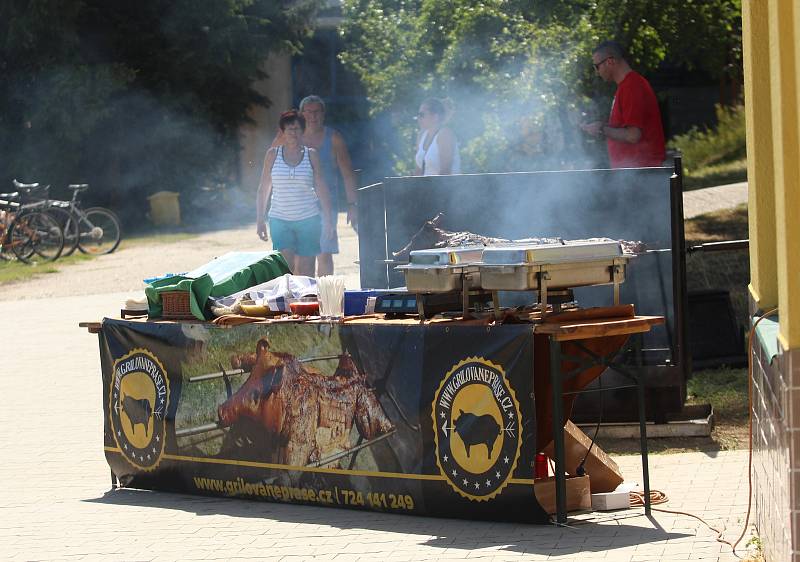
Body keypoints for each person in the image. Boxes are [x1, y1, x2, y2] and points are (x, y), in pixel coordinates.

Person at [272, 95, 358, 277]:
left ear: (323, 114)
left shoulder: (333, 138)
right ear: (302, 113)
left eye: (317, 111)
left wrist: (353, 205)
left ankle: (323, 297)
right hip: (294, 206)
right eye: (308, 112)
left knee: (324, 254)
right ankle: (300, 298)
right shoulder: (287, 135)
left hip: (325, 205)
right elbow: (272, 166)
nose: (313, 116)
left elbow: (348, 173)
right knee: (295, 258)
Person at [256, 110, 334, 277]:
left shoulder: (311, 155)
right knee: (286, 267)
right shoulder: (272, 154)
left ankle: (307, 301)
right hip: (280, 218)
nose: (293, 133)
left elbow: (321, 187)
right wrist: (260, 219)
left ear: (303, 131)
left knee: (306, 270)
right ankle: (287, 302)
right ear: (282, 132)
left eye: (297, 129)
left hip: (308, 219)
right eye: (290, 129)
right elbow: (264, 187)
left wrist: (328, 220)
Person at [580, 41, 666, 168]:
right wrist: (600, 126)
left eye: (596, 66)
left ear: (610, 61)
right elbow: (624, 128)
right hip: (634, 173)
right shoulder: (626, 86)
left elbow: (633, 135)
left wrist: (601, 129)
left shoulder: (632, 86)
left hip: (641, 173)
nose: (597, 72)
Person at [414, 97, 461, 176]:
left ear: (435, 117)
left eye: (421, 114)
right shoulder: (421, 136)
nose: (418, 118)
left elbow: (445, 172)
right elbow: (419, 171)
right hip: (427, 187)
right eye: (418, 114)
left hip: (446, 187)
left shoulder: (445, 134)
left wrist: (431, 188)